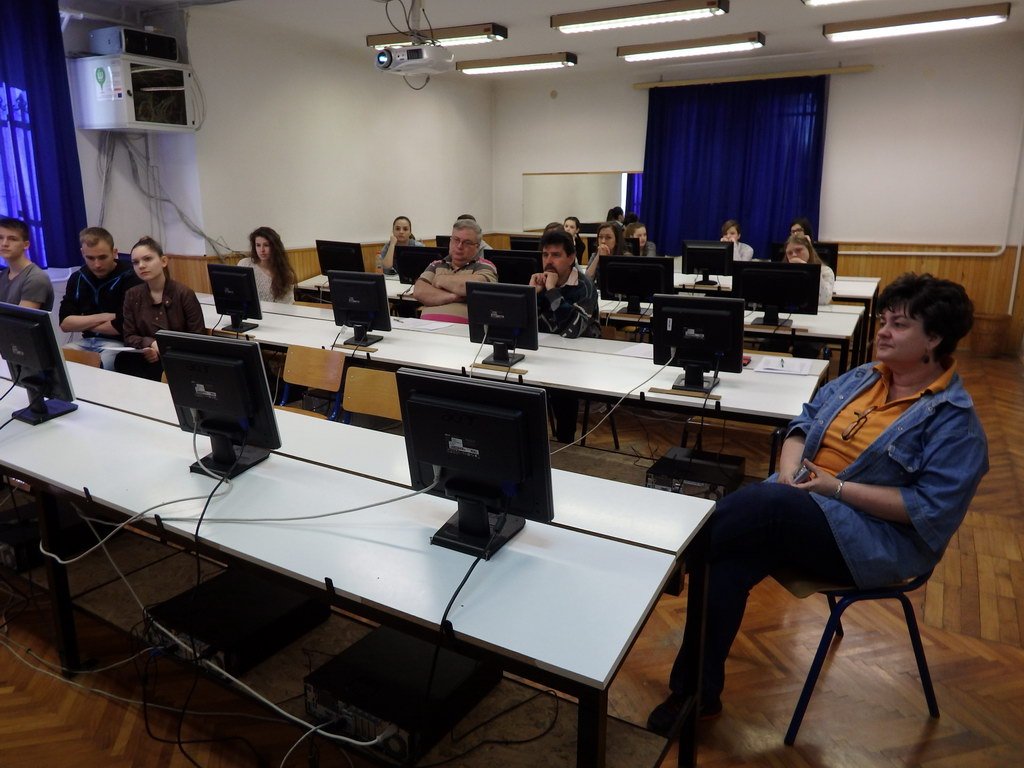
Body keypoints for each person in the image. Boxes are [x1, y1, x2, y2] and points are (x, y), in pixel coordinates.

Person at [647, 273, 988, 734]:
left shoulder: (955, 423)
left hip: (872, 537)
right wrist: (790, 473)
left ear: (935, 339)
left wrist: (833, 489)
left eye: (900, 325)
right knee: (724, 560)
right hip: (798, 504)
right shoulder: (865, 377)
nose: (883, 332)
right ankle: (695, 695)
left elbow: (928, 511)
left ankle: (663, 559)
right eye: (883, 321)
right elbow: (803, 423)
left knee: (765, 508)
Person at [529, 229, 600, 443]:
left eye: (556, 255)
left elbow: (572, 330)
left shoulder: (585, 287)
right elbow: (520, 324)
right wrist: (530, 294)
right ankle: (529, 441)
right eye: (545, 255)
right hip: (545, 353)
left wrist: (552, 291)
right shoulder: (539, 282)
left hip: (579, 356)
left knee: (562, 387)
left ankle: (565, 442)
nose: (549, 261)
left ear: (571, 258)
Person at [118, 236, 206, 380]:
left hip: (180, 359)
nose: (141, 266)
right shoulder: (132, 295)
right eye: (135, 262)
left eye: (147, 259)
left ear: (163, 261)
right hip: (146, 359)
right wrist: (150, 344)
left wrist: (164, 348)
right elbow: (129, 336)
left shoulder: (184, 293)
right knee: (122, 360)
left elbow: (197, 337)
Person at [59, 226, 142, 369]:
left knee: (103, 366)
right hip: (86, 342)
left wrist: (82, 322)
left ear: (114, 253)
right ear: (82, 253)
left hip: (120, 344)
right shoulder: (77, 277)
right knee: (56, 361)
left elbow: (123, 325)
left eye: (102, 257)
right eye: (90, 258)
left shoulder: (131, 276)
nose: (97, 264)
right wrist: (106, 316)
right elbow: (65, 323)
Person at [412, 218, 497, 323]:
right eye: (456, 240)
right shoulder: (436, 264)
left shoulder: (485, 266)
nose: (459, 246)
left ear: (477, 247)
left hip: (463, 330)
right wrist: (453, 296)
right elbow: (419, 291)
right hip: (426, 327)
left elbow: (473, 287)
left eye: (467, 242)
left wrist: (440, 280)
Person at [0, 217, 53, 310]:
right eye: (0, 238)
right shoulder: (3, 275)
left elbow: (20, 318)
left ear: (26, 245)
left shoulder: (36, 278)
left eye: (12, 239)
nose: (4, 243)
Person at [237, 226, 297, 304]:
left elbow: (287, 304)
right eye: (258, 245)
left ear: (275, 247)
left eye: (266, 245)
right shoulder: (245, 264)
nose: (262, 250)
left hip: (274, 311)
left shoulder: (286, 274)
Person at [785, 234, 834, 305]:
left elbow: (824, 300)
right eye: (789, 253)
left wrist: (807, 268)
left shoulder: (826, 271)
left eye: (798, 250)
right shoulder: (784, 272)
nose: (794, 255)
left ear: (809, 251)